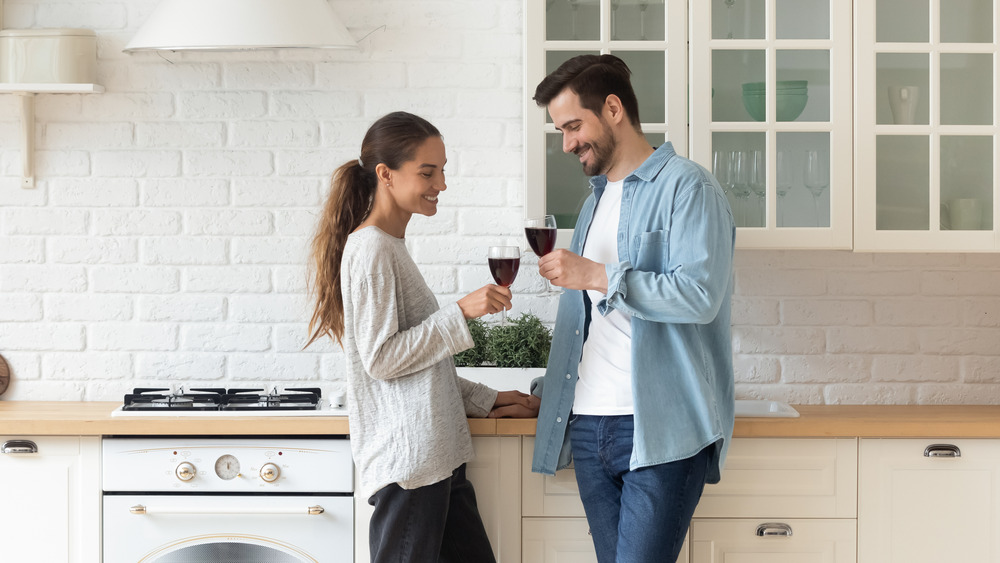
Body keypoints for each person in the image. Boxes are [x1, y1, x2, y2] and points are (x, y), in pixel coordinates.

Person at [305, 111, 539, 563]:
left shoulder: (389, 246)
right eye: (428, 172)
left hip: (436, 461)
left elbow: (420, 369)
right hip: (410, 468)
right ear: (385, 175)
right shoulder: (372, 248)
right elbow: (382, 359)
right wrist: (461, 313)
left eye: (443, 169)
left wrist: (486, 398)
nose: (441, 184)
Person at [529, 54, 736, 563]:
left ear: (614, 108)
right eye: (560, 130)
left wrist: (598, 275)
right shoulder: (594, 200)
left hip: (657, 427)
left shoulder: (688, 188)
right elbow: (593, 326)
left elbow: (699, 296)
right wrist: (547, 393)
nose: (567, 143)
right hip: (589, 421)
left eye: (574, 125)